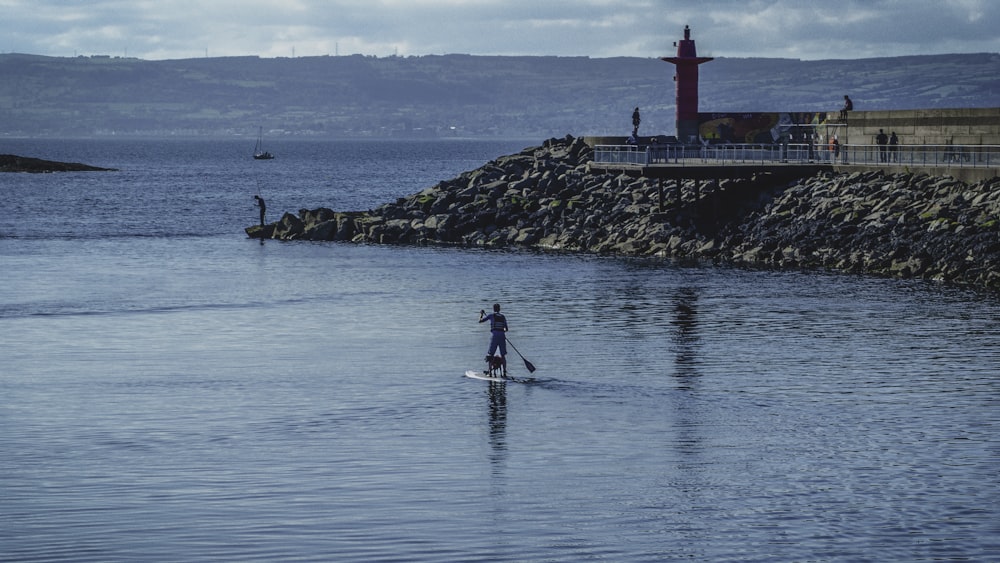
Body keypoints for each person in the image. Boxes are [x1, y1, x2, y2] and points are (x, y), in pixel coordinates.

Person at [479, 303, 508, 376]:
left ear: (493, 309)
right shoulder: (503, 316)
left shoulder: (491, 315)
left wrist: (481, 314)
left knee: (490, 354)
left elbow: (480, 321)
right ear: (499, 309)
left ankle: (490, 372)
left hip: (495, 336)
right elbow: (506, 329)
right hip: (502, 336)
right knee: (503, 355)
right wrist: (501, 332)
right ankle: (504, 372)